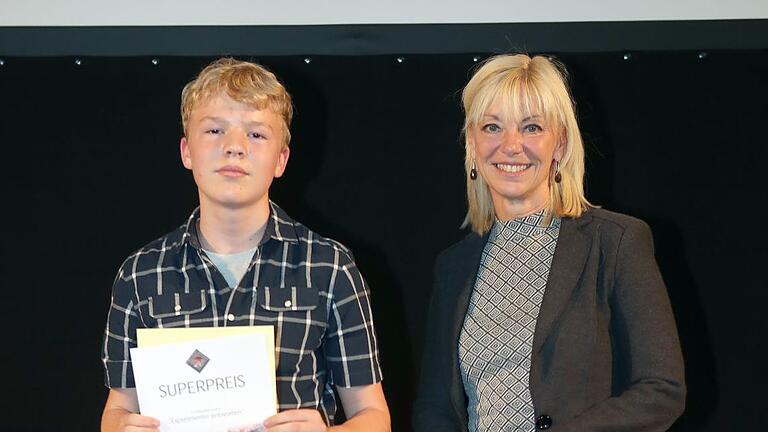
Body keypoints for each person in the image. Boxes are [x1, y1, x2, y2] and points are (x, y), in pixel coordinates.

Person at [101, 58, 390, 432]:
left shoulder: (329, 266)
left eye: (256, 134)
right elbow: (117, 409)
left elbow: (375, 416)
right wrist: (121, 427)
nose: (234, 147)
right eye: (215, 130)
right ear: (187, 151)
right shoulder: (140, 274)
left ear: (281, 159)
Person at [413, 54, 685, 431]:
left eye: (531, 127)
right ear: (472, 145)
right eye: (492, 127)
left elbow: (662, 389)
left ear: (559, 145)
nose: (510, 145)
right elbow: (434, 408)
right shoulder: (453, 266)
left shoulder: (616, 242)